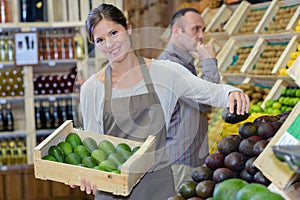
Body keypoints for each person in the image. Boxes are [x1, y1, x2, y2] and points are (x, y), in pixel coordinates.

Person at [73, 3, 250, 200]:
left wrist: (232, 93)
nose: (109, 44)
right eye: (100, 40)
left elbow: (211, 93)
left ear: (128, 28)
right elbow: (92, 143)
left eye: (114, 33)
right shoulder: (91, 88)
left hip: (158, 186)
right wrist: (86, 174)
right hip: (112, 188)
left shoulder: (164, 73)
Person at [158, 7, 220, 191]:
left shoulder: (183, 63)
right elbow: (207, 102)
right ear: (177, 31)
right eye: (196, 29)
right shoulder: (172, 66)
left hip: (187, 160)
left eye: (203, 30)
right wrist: (209, 61)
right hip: (180, 164)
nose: (201, 36)